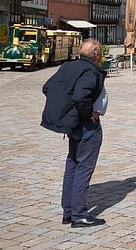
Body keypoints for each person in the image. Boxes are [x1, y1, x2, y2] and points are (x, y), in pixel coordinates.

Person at [44, 39, 107, 227]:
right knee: (83, 168)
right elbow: (81, 97)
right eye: (100, 52)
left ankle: (68, 212)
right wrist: (89, 113)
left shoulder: (68, 67)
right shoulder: (90, 70)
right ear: (96, 54)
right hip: (86, 125)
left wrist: (66, 108)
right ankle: (79, 215)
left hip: (73, 125)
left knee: (72, 164)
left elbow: (48, 87)